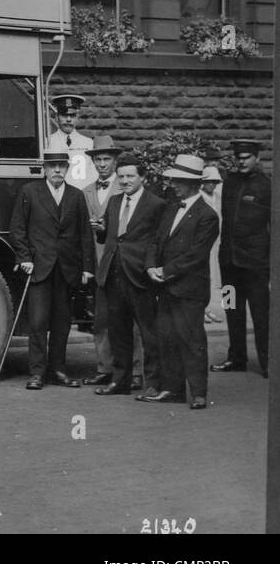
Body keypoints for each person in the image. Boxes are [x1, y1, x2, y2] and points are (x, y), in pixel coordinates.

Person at [9, 150, 96, 389]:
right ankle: (37, 373)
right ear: (44, 168)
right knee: (37, 322)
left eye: (61, 166)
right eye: (52, 166)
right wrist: (24, 257)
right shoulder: (30, 192)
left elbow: (85, 234)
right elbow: (17, 229)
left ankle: (57, 370)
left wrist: (87, 267)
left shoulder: (76, 196)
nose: (57, 170)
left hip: (67, 269)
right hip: (39, 268)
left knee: (62, 322)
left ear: (67, 169)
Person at [140, 155, 218, 409]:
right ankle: (171, 389)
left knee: (191, 340)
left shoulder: (208, 216)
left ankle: (198, 392)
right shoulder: (170, 208)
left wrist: (166, 270)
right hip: (165, 286)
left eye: (178, 180)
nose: (172, 183)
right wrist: (151, 266)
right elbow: (155, 240)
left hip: (189, 290)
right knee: (166, 338)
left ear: (192, 183)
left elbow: (196, 255)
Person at [92, 154, 164, 397]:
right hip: (114, 275)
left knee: (149, 333)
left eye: (130, 176)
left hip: (140, 277)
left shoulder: (155, 204)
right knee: (118, 331)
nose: (124, 181)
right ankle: (119, 381)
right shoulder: (113, 202)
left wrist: (151, 268)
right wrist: (101, 230)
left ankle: (153, 382)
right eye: (121, 176)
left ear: (142, 177)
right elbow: (110, 237)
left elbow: (158, 242)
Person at [213, 140, 271, 377]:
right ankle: (236, 358)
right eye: (238, 157)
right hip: (229, 263)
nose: (242, 161)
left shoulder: (267, 185)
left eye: (246, 157)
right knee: (232, 310)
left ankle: (268, 363)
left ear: (257, 158)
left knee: (261, 314)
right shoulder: (230, 183)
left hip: (255, 265)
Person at [81, 135, 124, 386]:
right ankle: (104, 368)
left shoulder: (126, 186)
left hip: (121, 263)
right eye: (98, 160)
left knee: (127, 321)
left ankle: (135, 370)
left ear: (115, 161)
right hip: (99, 266)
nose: (102, 164)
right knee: (102, 319)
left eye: (107, 159)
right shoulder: (87, 191)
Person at [45, 94, 95, 188]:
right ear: (56, 117)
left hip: (81, 195)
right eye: (64, 115)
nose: (68, 120)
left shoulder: (88, 143)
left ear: (77, 117)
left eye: (72, 116)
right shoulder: (47, 142)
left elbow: (93, 176)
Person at [200, 165, 224, 324]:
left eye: (215, 182)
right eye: (209, 181)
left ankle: (216, 308)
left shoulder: (218, 195)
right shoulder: (199, 197)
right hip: (204, 242)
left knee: (217, 279)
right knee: (203, 276)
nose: (212, 185)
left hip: (219, 241)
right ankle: (201, 310)